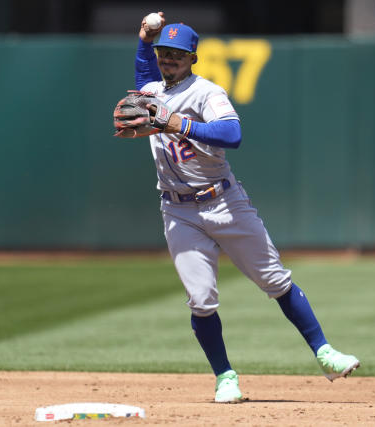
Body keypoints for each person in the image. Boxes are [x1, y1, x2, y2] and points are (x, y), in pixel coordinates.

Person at [132, 12, 360, 403]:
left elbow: (232, 133)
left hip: (224, 201)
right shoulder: (151, 90)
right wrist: (142, 40)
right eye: (162, 53)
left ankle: (325, 353)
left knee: (275, 280)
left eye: (177, 54)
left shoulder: (207, 92)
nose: (168, 59)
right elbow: (142, 77)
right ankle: (225, 378)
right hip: (178, 211)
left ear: (192, 58)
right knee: (201, 300)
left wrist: (179, 124)